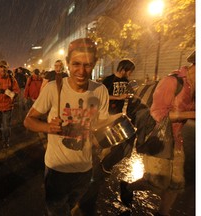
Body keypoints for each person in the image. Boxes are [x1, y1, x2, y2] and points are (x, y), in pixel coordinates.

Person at [24, 38, 109, 215]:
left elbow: (101, 125)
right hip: (57, 170)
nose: (81, 70)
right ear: (68, 64)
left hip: (85, 169)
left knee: (69, 206)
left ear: (94, 64)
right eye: (76, 63)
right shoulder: (54, 88)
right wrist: (48, 127)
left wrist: (115, 123)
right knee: (56, 211)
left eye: (87, 65)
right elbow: (28, 120)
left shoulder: (100, 91)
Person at [120, 51, 195, 216]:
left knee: (176, 183)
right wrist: (191, 114)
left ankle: (163, 213)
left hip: (177, 140)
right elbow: (157, 113)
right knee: (157, 183)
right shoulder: (172, 81)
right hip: (158, 139)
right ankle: (128, 187)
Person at [77, 59, 136, 215]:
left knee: (122, 145)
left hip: (117, 117)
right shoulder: (107, 81)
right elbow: (104, 98)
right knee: (102, 146)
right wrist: (118, 98)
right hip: (105, 117)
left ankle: (102, 168)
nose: (130, 74)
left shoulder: (126, 81)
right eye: (130, 70)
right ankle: (96, 172)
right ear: (124, 68)